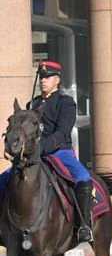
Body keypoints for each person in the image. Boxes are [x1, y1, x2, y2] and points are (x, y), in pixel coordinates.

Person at [0, 61, 94, 242]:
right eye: (41, 77)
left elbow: (63, 132)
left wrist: (42, 147)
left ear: (57, 80)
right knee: (2, 180)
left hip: (59, 153)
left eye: (48, 77)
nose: (43, 80)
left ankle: (83, 225)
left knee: (83, 177)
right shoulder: (32, 104)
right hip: (33, 156)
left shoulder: (65, 103)